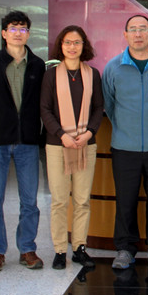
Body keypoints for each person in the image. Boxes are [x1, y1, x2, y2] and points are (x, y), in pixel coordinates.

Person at [102, 15, 148, 270]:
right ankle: (125, 248)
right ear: (125, 35)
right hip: (124, 147)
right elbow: (109, 105)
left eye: (143, 29)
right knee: (125, 200)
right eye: (132, 29)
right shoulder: (113, 67)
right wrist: (126, 128)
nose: (138, 34)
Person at [0, 10, 46, 271]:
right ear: (4, 33)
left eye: (23, 28)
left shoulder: (38, 65)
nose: (18, 33)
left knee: (30, 201)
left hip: (28, 141)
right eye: (13, 28)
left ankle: (27, 248)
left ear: (28, 33)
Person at [40, 25, 104, 270]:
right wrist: (61, 134)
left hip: (86, 144)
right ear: (61, 45)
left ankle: (79, 248)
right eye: (67, 42)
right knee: (59, 201)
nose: (72, 47)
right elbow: (44, 109)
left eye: (77, 42)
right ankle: (59, 250)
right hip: (58, 145)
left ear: (83, 45)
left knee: (82, 200)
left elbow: (98, 107)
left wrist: (89, 133)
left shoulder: (92, 74)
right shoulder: (51, 75)